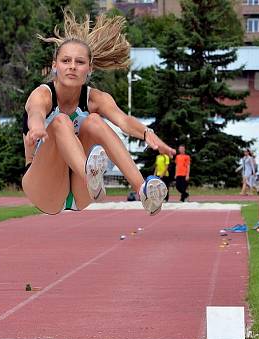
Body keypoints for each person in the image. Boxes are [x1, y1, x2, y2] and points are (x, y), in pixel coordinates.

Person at [22, 10, 174, 215]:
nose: (72, 67)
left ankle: (142, 190)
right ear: (54, 66)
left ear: (90, 68)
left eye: (80, 62)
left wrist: (147, 133)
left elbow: (124, 121)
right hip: (44, 187)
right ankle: (90, 175)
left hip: (81, 192)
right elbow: (35, 113)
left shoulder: (96, 98)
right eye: (66, 61)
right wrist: (37, 128)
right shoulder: (43, 95)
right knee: (60, 121)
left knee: (93, 121)